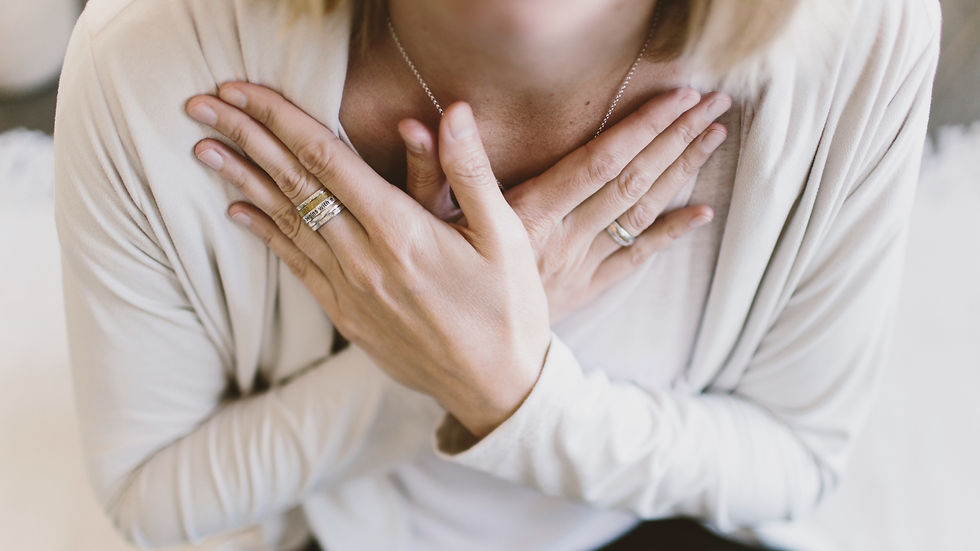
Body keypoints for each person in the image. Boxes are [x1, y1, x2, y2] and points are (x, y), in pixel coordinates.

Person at [53, 0, 940, 549]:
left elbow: (796, 457)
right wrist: (434, 356)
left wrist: (507, 378)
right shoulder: (149, 61)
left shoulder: (863, 34)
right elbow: (151, 490)